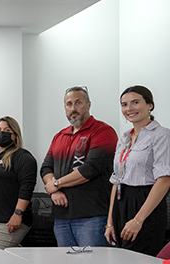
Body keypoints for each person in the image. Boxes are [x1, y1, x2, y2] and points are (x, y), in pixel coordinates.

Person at [41, 86, 117, 247]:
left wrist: (55, 184)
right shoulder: (59, 136)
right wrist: (55, 191)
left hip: (92, 218)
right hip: (61, 218)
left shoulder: (103, 132)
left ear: (88, 105)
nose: (73, 108)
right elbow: (46, 168)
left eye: (78, 103)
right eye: (69, 104)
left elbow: (89, 170)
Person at [105, 86, 170, 256]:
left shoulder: (161, 135)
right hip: (121, 202)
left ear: (150, 105)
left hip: (145, 203)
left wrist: (138, 220)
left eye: (135, 102)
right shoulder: (124, 138)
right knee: (120, 257)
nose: (129, 109)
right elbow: (116, 181)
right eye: (124, 104)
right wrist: (110, 222)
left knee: (140, 257)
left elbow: (164, 180)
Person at [0, 116, 37, 249]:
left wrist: (18, 213)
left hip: (10, 221)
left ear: (15, 135)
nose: (1, 133)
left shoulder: (23, 157)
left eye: (6, 130)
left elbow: (26, 188)